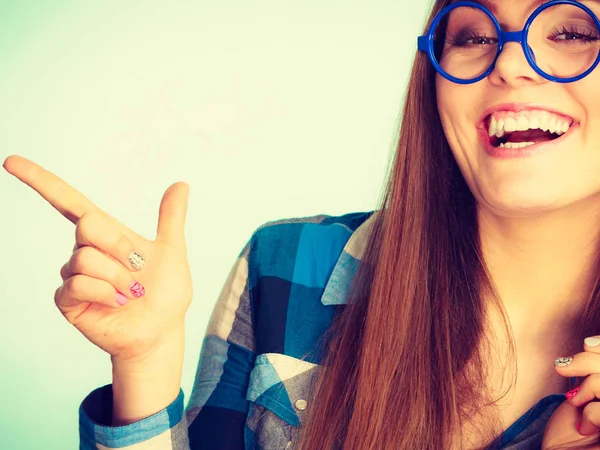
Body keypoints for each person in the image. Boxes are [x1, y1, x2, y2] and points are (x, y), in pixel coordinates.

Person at [4, 0, 600, 448]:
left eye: (573, 31)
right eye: (472, 36)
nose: (511, 61)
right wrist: (146, 364)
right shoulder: (288, 264)